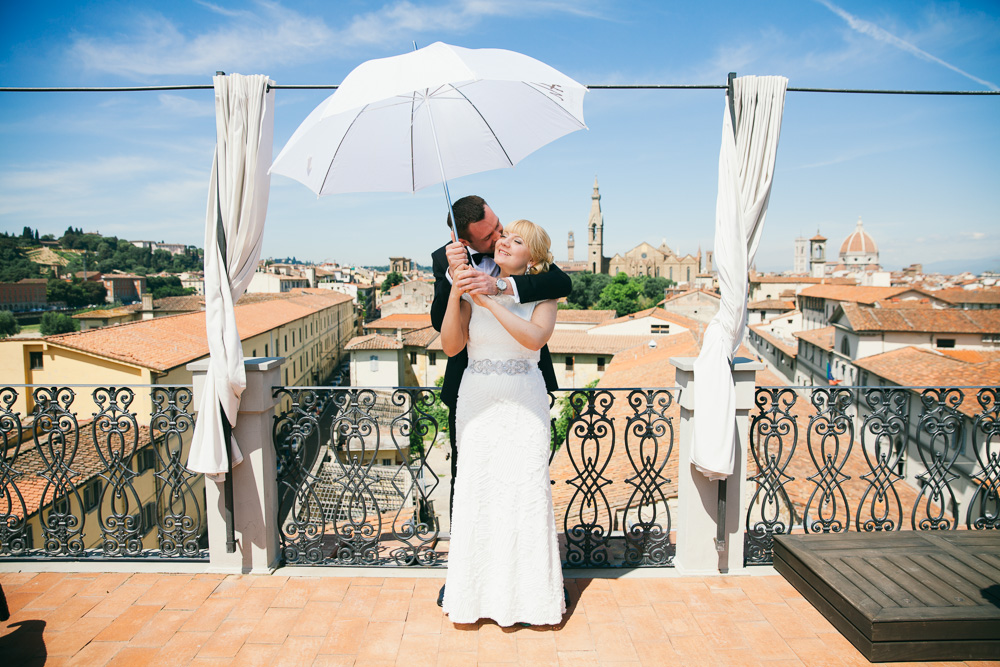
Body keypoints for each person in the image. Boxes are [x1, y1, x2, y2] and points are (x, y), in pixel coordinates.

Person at [439, 218, 565, 626]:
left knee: (525, 493)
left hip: (524, 401)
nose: (504, 242)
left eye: (517, 240)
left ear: (534, 257)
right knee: (478, 493)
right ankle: (473, 598)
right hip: (477, 399)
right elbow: (451, 346)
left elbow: (534, 338)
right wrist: (458, 291)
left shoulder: (545, 291)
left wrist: (491, 298)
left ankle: (530, 600)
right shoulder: (469, 283)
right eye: (503, 236)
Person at [430, 196, 571, 519]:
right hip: (472, 389)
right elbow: (443, 327)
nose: (500, 239)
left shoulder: (528, 261)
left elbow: (561, 282)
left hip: (524, 391)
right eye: (492, 235)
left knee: (524, 482)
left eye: (500, 227)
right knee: (469, 479)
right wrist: (454, 282)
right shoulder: (445, 259)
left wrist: (498, 286)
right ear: (465, 241)